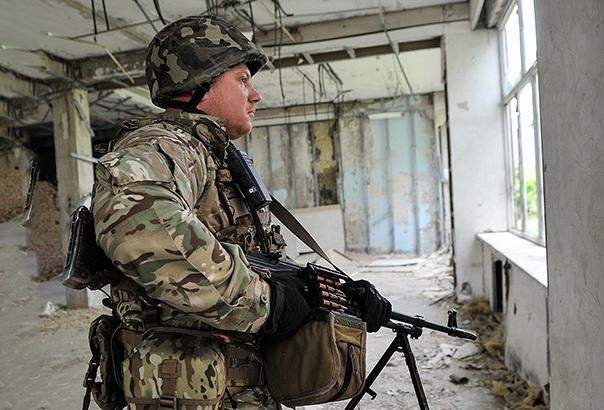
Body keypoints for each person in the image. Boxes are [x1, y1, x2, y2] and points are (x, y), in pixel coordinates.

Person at [91, 15, 391, 410]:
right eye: (242, 80)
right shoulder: (165, 147)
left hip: (237, 387)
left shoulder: (215, 156)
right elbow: (138, 224)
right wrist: (267, 302)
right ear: (198, 84)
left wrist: (332, 295)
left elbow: (256, 259)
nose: (255, 95)